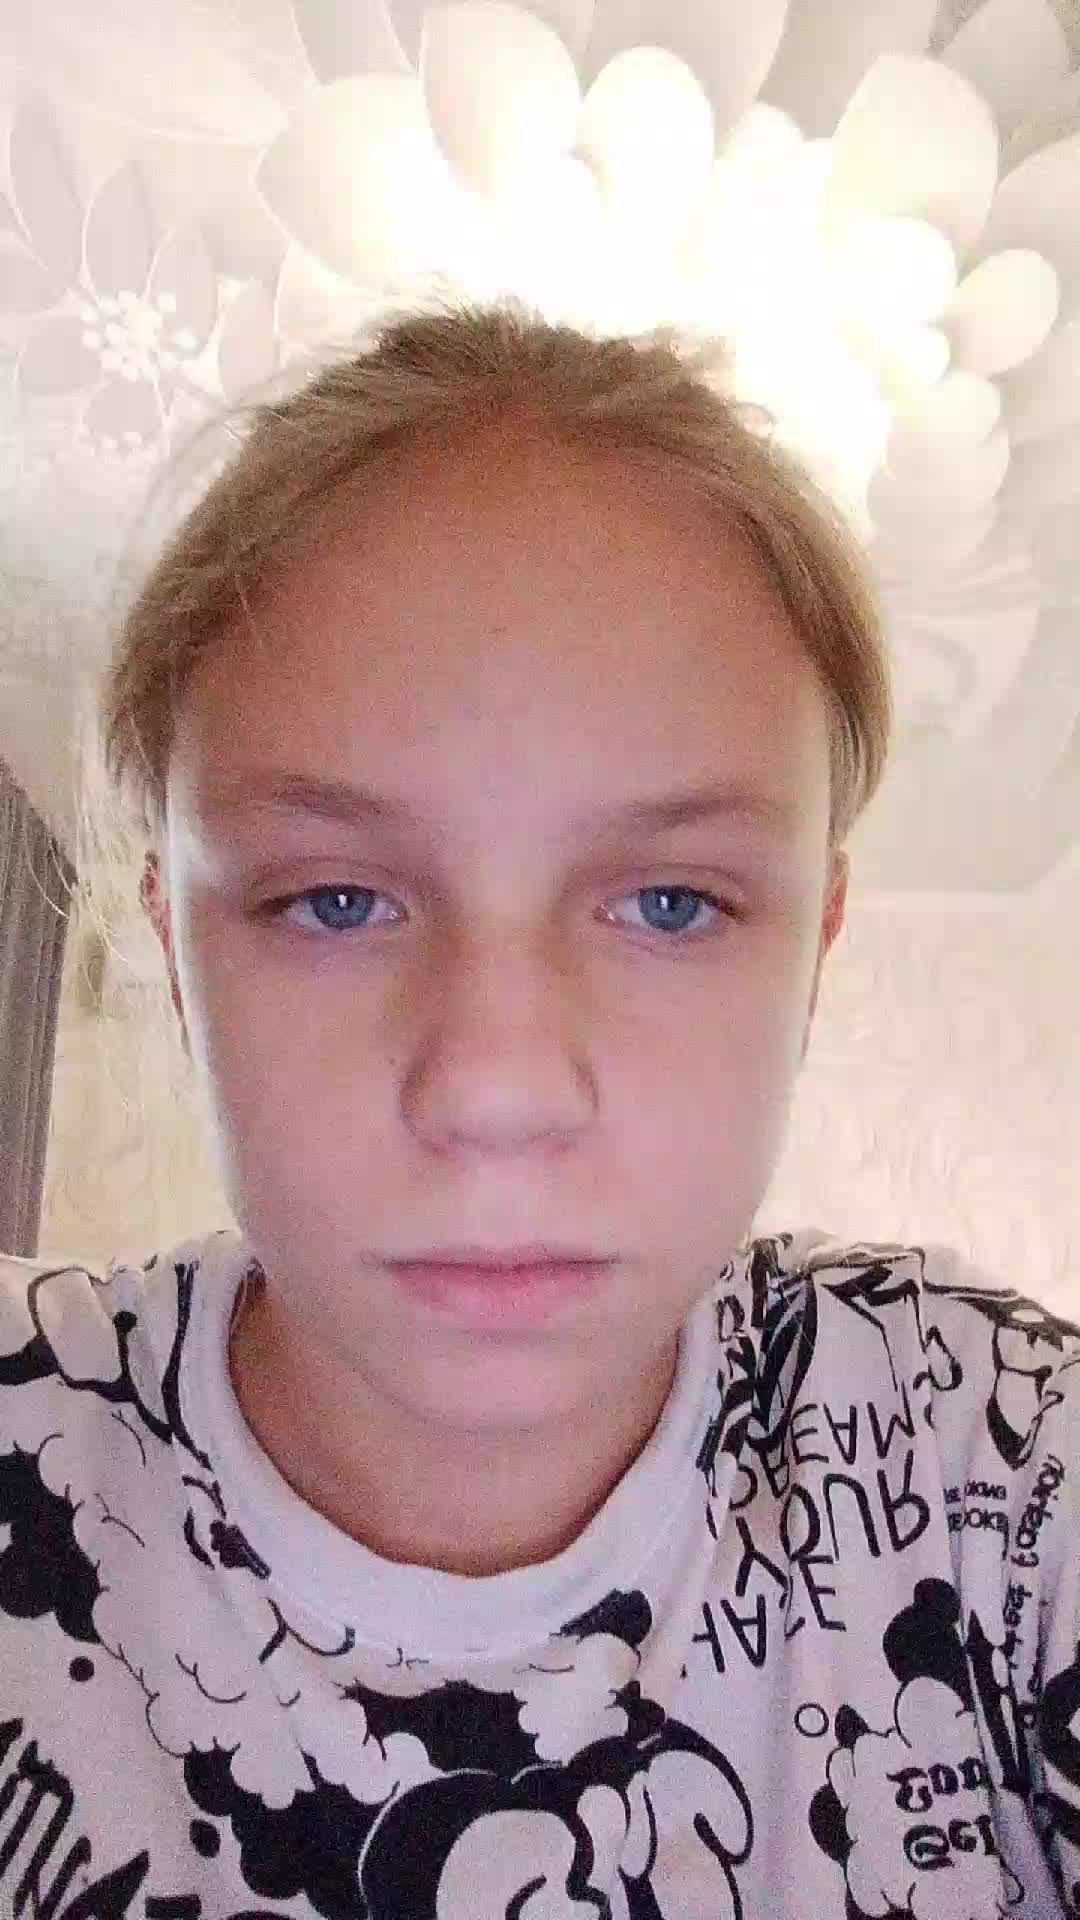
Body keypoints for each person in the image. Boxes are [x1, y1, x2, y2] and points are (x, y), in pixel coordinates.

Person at [0, 300, 1077, 1920]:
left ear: (814, 949)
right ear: (171, 938)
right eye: (337, 901)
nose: (495, 1091)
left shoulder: (1000, 1467)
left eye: (670, 904)